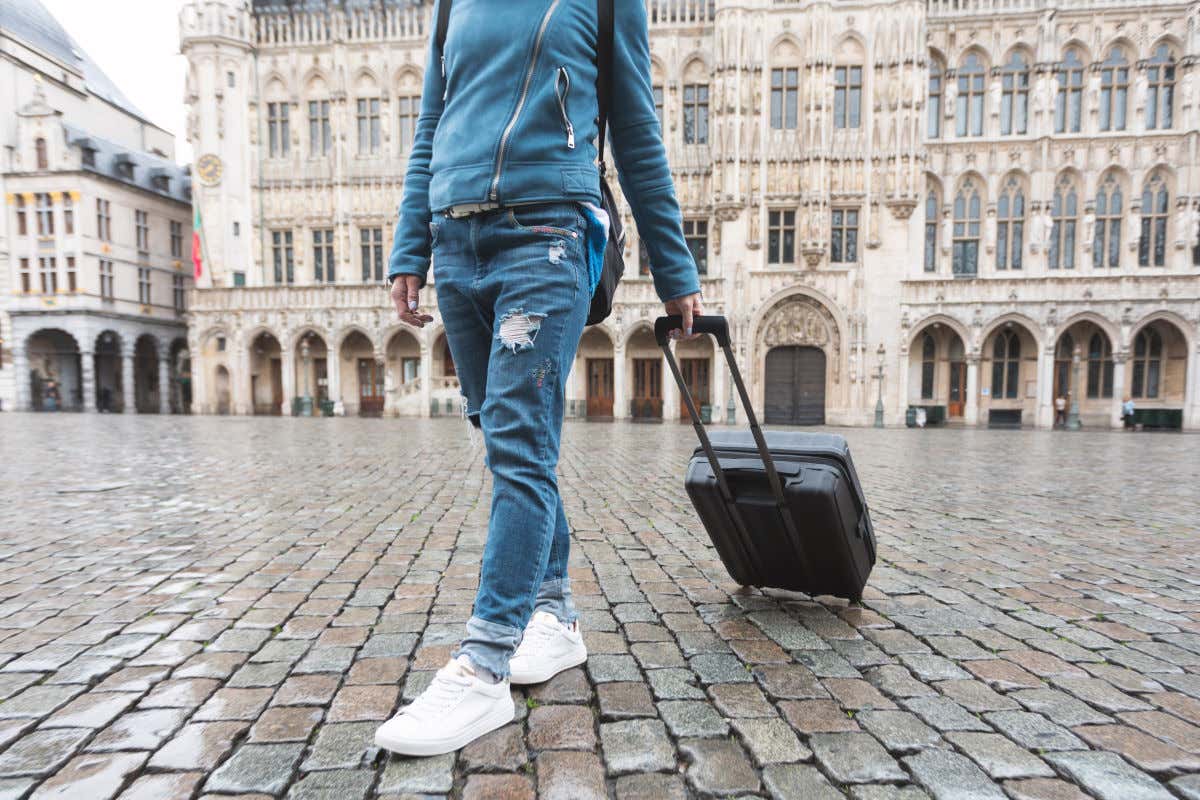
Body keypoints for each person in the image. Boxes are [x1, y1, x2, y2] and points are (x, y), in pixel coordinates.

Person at [376, 0, 703, 757]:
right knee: (498, 436)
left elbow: (635, 127)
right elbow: (433, 121)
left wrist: (674, 266)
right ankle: (553, 617)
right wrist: (409, 248)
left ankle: (486, 664)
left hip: (547, 234)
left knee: (521, 445)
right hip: (457, 239)